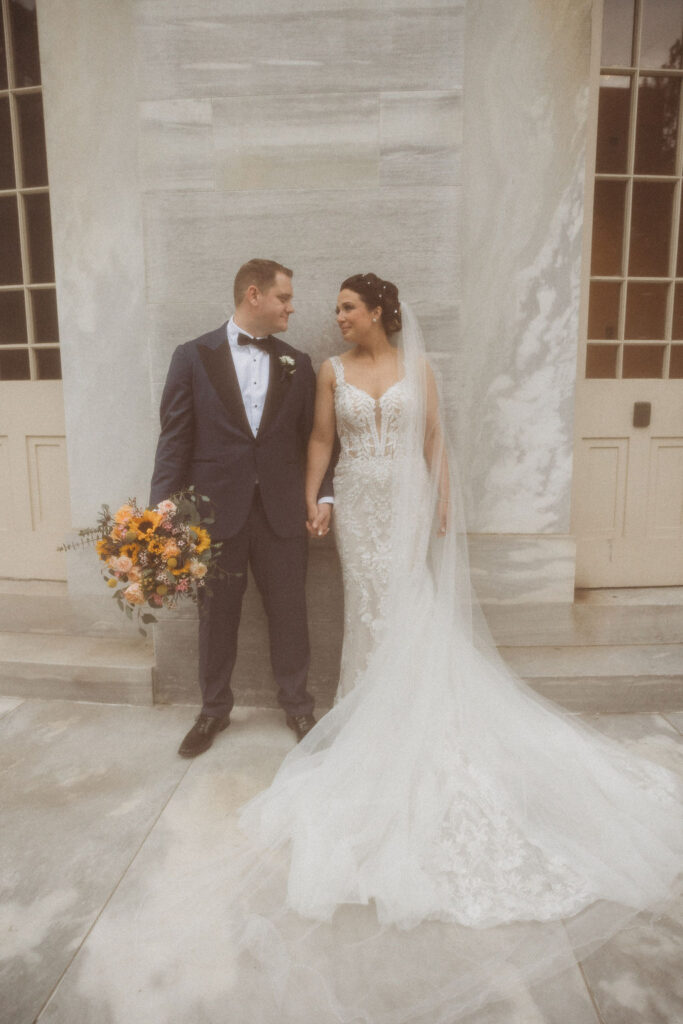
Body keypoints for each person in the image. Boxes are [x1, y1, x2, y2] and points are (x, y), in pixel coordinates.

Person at [210, 273, 682, 1022]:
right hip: (357, 503)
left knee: (407, 604)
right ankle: (372, 716)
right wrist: (312, 500)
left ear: (379, 314)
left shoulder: (419, 369)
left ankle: (415, 720)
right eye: (331, 308)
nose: (335, 319)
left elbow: (433, 441)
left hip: (403, 498)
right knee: (370, 605)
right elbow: (322, 440)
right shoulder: (330, 373)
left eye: (345, 308)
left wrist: (443, 507)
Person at [149, 258, 334, 757]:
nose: (291, 308)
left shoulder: (299, 362)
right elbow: (174, 442)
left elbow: (316, 440)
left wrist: (323, 495)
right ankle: (212, 711)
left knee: (291, 612)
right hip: (214, 516)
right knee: (216, 619)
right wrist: (159, 518)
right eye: (284, 298)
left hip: (281, 512)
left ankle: (297, 705)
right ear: (254, 295)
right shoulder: (192, 356)